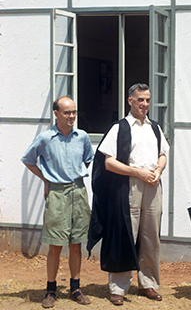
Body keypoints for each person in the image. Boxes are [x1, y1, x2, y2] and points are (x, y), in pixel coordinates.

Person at [87, 83, 169, 306]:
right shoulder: (119, 128)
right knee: (125, 235)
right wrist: (137, 172)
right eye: (140, 99)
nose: (145, 104)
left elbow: (163, 154)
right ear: (130, 100)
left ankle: (148, 283)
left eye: (148, 100)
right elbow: (108, 162)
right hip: (128, 187)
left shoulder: (155, 128)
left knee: (151, 237)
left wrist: (159, 170)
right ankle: (118, 288)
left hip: (152, 186)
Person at [21, 97, 94, 308]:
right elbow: (28, 160)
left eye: (74, 112)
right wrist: (46, 179)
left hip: (78, 192)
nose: (71, 116)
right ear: (56, 113)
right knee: (55, 245)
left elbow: (87, 159)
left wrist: (74, 176)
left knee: (76, 244)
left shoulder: (82, 137)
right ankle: (51, 290)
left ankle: (75, 287)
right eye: (66, 112)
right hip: (57, 194)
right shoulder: (45, 138)